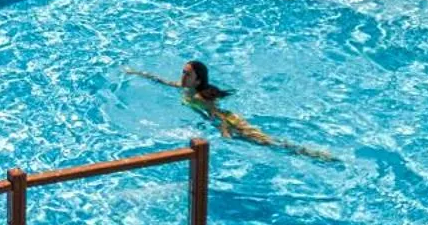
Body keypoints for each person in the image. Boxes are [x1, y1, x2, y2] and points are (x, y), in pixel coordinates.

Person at [127, 61, 335, 161]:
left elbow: (216, 113)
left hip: (230, 121)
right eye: (182, 72)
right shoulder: (184, 88)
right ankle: (306, 152)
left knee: (264, 141)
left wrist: (225, 131)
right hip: (222, 121)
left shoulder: (199, 97)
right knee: (261, 142)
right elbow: (162, 81)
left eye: (187, 74)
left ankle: (312, 153)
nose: (182, 76)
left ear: (198, 80)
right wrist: (137, 73)